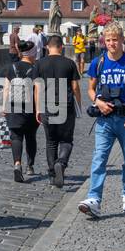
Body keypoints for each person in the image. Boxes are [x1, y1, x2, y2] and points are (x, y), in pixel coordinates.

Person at [79, 22, 125, 219]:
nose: (111, 43)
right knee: (99, 159)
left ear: (122, 41)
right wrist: (98, 102)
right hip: (104, 120)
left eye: (115, 40)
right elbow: (90, 89)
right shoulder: (98, 63)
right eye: (108, 40)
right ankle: (94, 199)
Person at [36, 33, 81, 188]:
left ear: (48, 47)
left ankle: (52, 173)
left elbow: (38, 89)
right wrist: (78, 105)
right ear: (61, 47)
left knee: (51, 142)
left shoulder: (40, 64)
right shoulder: (69, 63)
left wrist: (38, 109)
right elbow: (75, 87)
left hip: (47, 106)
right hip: (66, 106)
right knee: (66, 140)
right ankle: (61, 163)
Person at [1, 38, 41, 182]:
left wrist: (4, 106)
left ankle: (17, 164)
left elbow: (6, 88)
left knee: (16, 136)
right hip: (31, 107)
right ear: (30, 53)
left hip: (13, 106)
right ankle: (30, 166)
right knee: (31, 137)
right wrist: (39, 109)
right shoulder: (36, 69)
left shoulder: (12, 67)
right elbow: (38, 90)